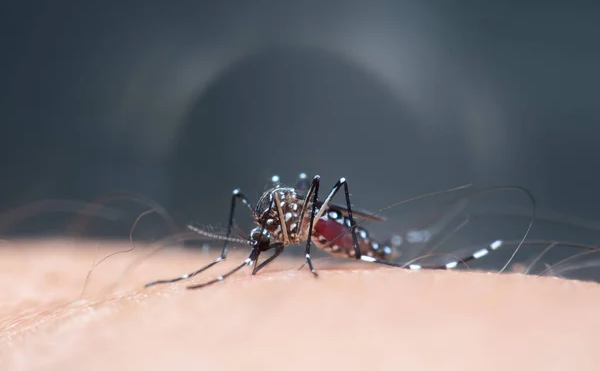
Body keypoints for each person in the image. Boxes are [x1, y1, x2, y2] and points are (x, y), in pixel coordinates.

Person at [1, 240, 599, 371]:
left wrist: (319, 251)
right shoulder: (267, 230)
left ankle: (385, 254)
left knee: (309, 194)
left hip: (326, 231)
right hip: (306, 234)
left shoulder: (293, 228)